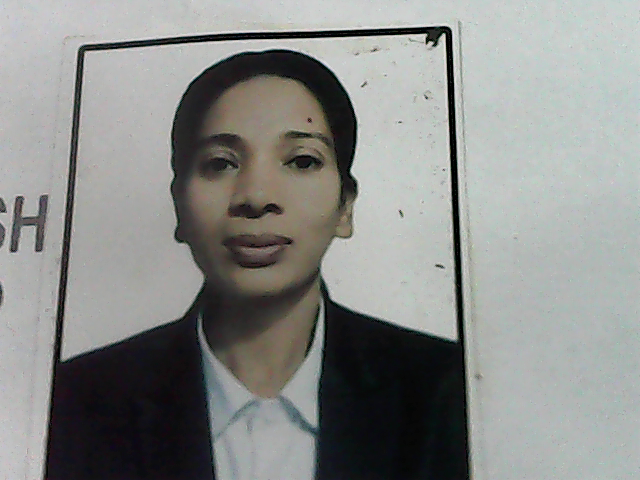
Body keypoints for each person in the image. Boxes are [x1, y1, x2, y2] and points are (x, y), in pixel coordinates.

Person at [46, 49, 469, 480]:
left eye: (301, 161)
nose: (256, 197)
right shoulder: (73, 401)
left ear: (346, 206)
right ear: (178, 205)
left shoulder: (450, 389)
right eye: (220, 163)